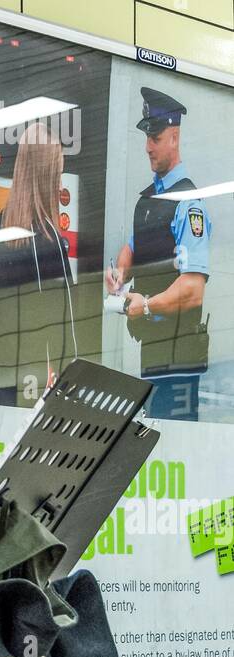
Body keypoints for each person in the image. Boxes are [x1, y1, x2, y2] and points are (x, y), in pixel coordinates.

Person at [106, 86, 211, 421]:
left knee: (176, 451)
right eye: (146, 137)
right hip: (153, 348)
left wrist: (147, 304)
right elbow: (134, 248)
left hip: (180, 355)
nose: (148, 146)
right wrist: (120, 272)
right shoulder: (150, 200)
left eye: (156, 137)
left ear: (174, 137)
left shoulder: (188, 203)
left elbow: (193, 291)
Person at [0, 120, 76, 407]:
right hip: (39, 381)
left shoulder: (4, 225)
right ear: (46, 175)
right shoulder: (45, 237)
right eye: (57, 173)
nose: (60, 183)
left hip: (5, 373)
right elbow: (61, 321)